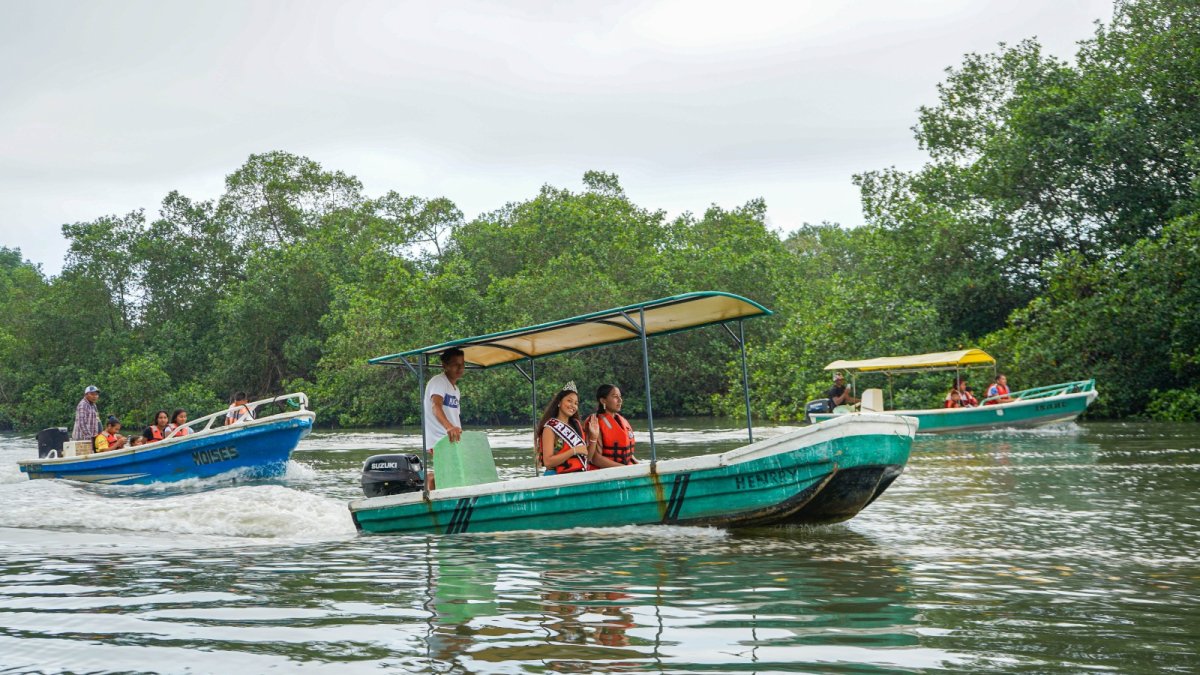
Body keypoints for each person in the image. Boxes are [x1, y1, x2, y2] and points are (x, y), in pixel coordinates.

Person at [424, 348, 466, 490]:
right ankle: (430, 489)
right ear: (445, 365)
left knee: (455, 472)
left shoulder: (456, 390)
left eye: (462, 364)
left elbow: (455, 416)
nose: (460, 368)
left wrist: (458, 431)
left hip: (453, 438)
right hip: (439, 438)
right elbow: (435, 406)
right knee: (446, 473)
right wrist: (449, 427)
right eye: (455, 364)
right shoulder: (439, 382)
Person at [537, 381, 600, 475]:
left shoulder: (576, 426)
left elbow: (587, 458)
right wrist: (573, 451)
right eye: (569, 401)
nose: (573, 405)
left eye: (576, 403)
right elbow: (548, 462)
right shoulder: (550, 428)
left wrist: (594, 438)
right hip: (556, 477)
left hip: (577, 475)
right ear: (559, 402)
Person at [583, 384, 637, 467]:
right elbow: (595, 459)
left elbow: (627, 453)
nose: (620, 400)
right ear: (603, 401)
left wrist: (638, 466)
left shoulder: (622, 421)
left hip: (625, 468)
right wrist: (625, 469)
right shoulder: (595, 422)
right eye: (615, 396)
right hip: (604, 471)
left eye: (620, 396)